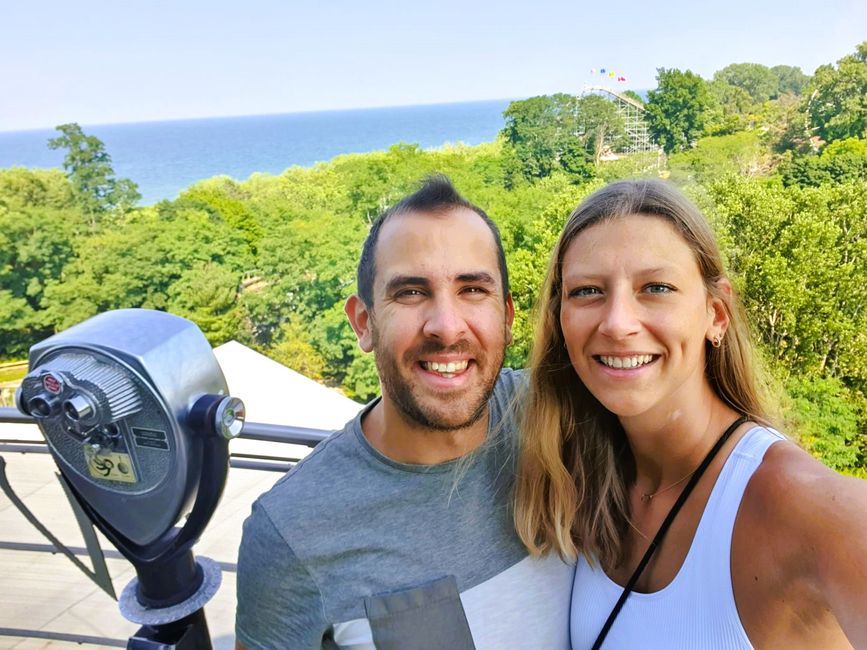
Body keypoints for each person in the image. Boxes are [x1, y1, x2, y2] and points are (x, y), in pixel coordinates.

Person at [514, 179, 867, 649]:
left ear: (716, 314)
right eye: (588, 291)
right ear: (561, 319)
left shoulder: (811, 508)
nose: (617, 322)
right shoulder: (581, 483)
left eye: (655, 287)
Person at [235, 176, 573, 649]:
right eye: (411, 292)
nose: (447, 326)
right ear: (364, 322)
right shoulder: (293, 532)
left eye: (473, 290)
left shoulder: (565, 421)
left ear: (508, 317)